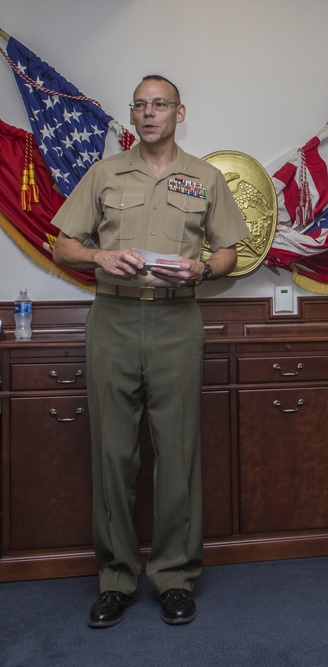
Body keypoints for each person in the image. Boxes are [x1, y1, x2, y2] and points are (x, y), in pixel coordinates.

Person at [52, 75, 249, 627]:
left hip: (176, 320)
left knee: (177, 452)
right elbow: (62, 243)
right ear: (132, 116)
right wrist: (99, 257)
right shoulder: (105, 173)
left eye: (158, 104)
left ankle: (174, 577)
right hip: (113, 318)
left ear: (179, 113)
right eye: (139, 106)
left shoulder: (205, 177)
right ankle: (115, 578)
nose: (148, 113)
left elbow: (232, 252)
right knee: (113, 453)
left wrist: (203, 267)